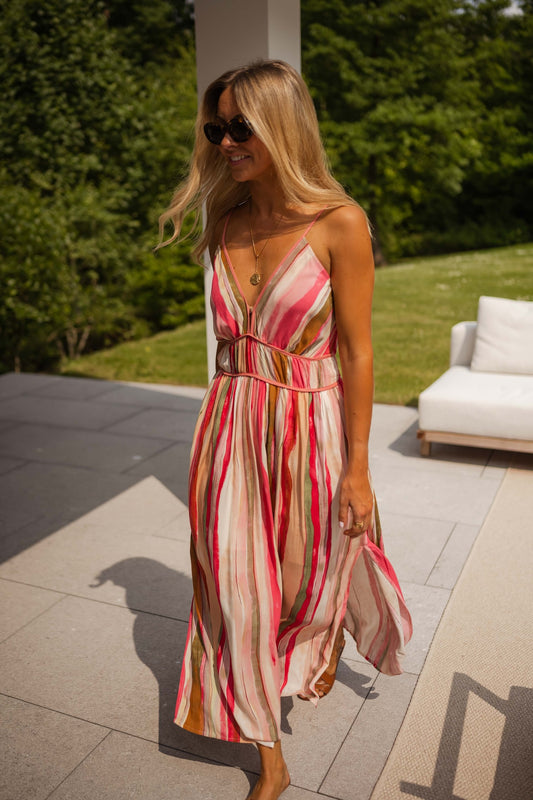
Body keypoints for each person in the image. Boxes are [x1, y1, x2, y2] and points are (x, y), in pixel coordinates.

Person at [159, 59, 412, 800]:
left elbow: (357, 351)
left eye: (241, 127)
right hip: (230, 425)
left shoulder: (339, 222)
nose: (226, 142)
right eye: (217, 129)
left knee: (308, 574)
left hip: (311, 420)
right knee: (235, 587)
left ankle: (322, 641)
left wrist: (359, 468)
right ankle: (269, 755)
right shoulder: (226, 220)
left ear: (281, 124)